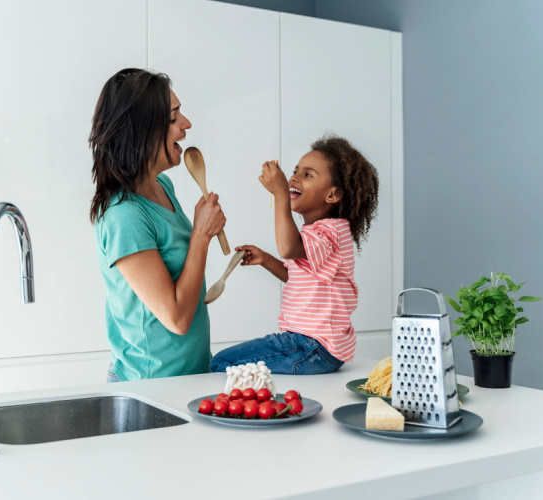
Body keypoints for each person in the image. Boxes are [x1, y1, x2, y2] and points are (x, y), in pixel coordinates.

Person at [90, 68, 226, 382]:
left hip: (186, 380)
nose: (187, 124)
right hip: (149, 387)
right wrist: (201, 235)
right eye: (174, 117)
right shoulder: (124, 215)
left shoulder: (162, 186)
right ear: (143, 130)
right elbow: (177, 318)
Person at [209, 134, 379, 375]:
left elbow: (288, 247)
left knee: (221, 364)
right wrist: (266, 260)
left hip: (311, 346)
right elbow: (300, 278)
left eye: (308, 175)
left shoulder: (330, 231)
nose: (294, 178)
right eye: (296, 171)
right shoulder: (320, 234)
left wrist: (280, 194)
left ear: (332, 194)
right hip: (315, 346)